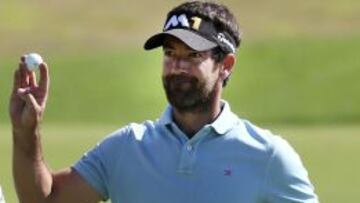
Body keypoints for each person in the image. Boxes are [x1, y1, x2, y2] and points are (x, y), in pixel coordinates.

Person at [10, 1, 319, 203]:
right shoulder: (126, 148)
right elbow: (43, 200)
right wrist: (27, 134)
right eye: (170, 53)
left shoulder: (268, 157)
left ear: (225, 66)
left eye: (193, 55)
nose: (178, 65)